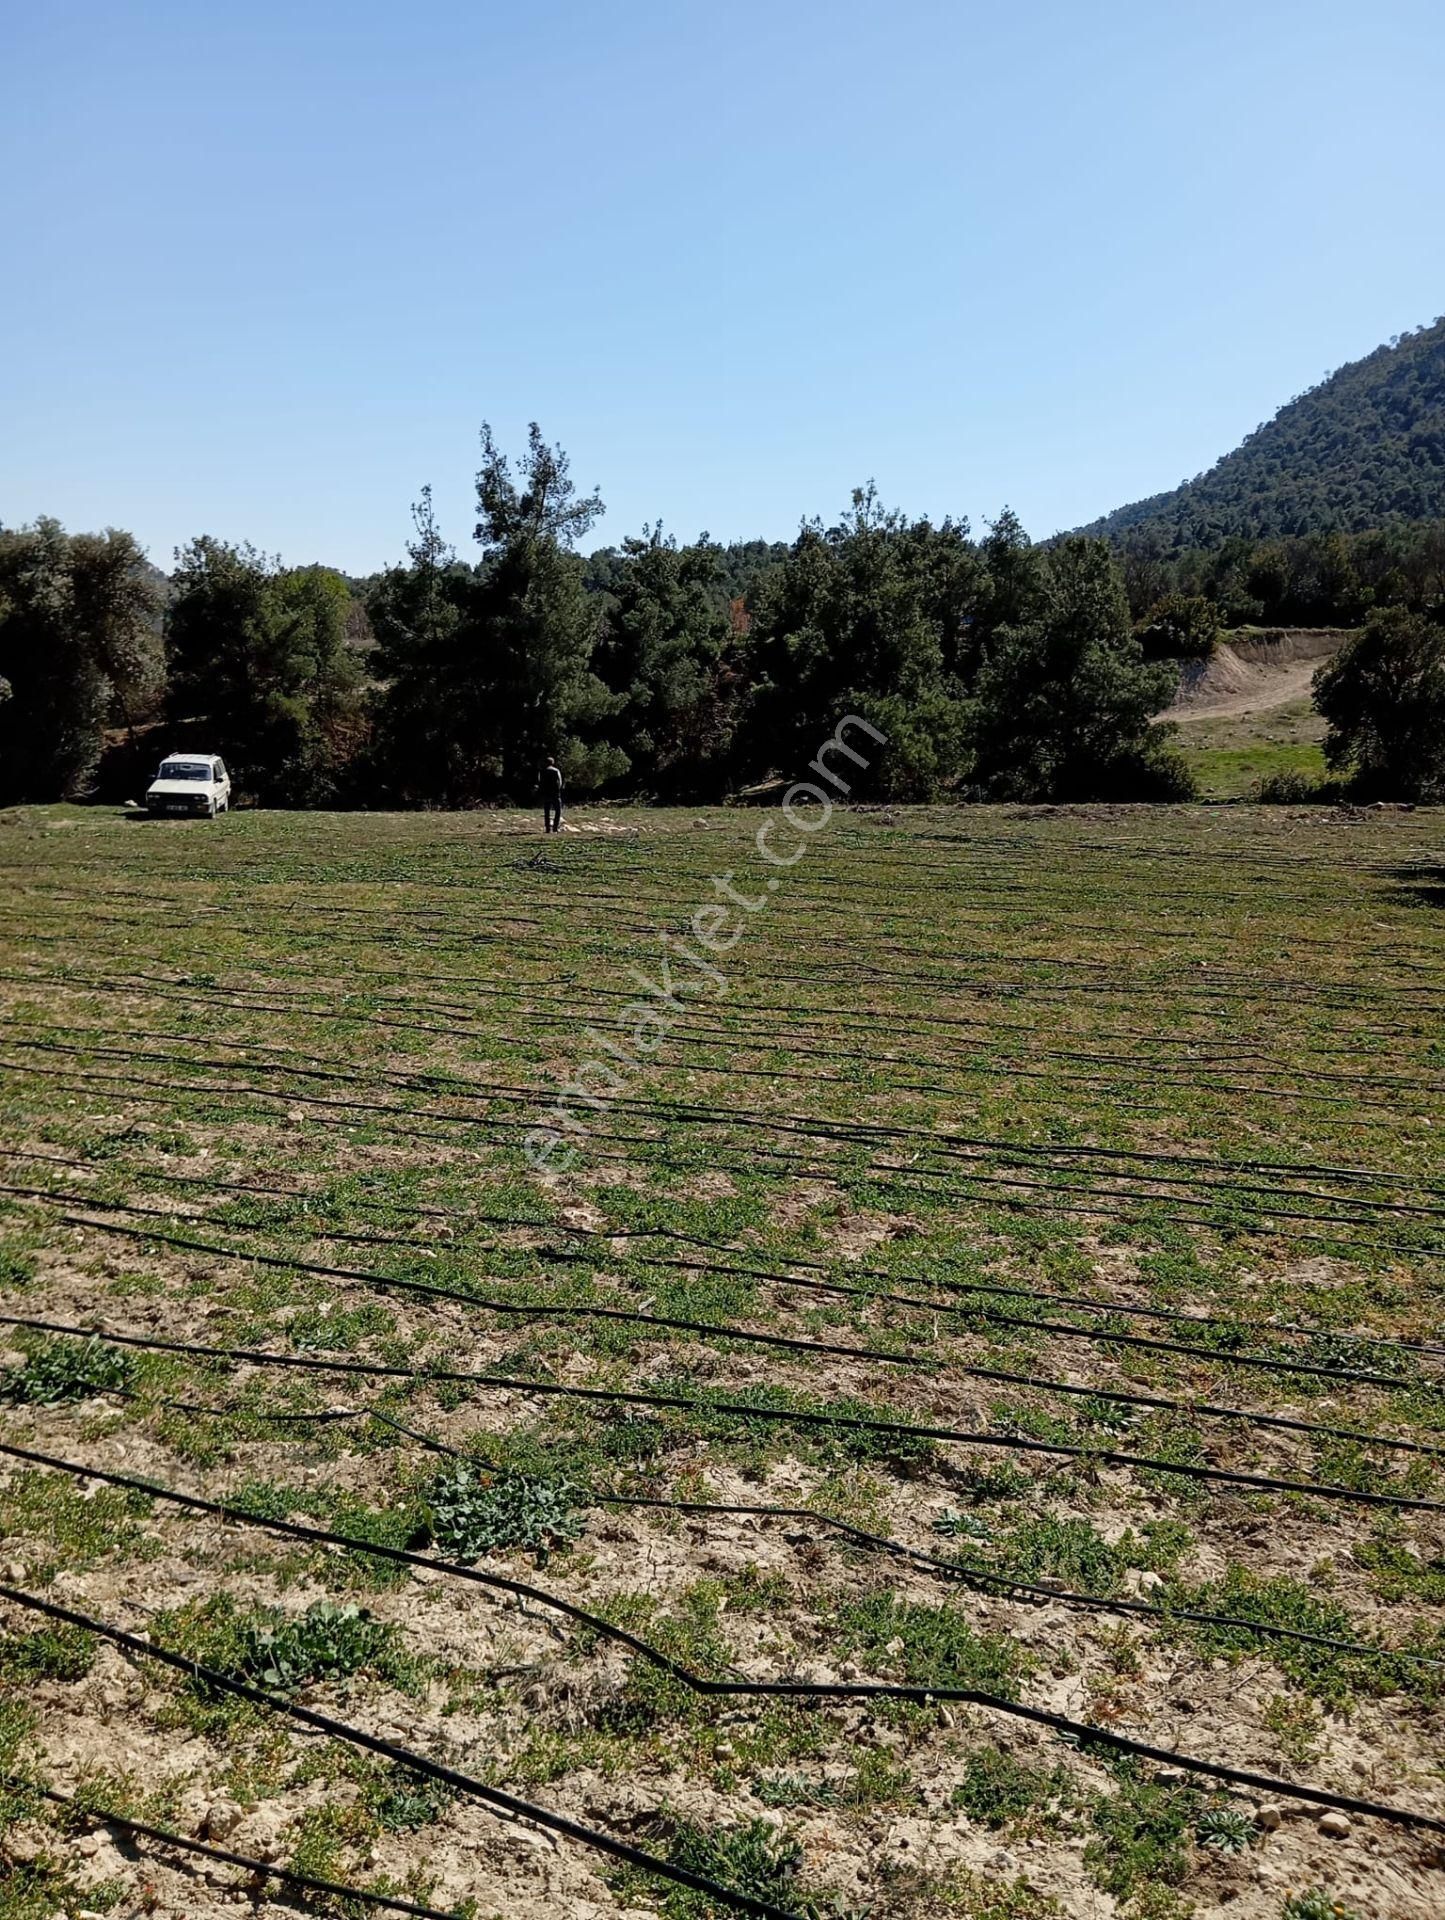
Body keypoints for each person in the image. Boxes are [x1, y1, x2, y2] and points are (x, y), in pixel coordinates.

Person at [541, 757, 564, 833]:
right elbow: (560, 782)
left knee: (546, 812)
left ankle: (548, 828)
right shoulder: (556, 771)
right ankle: (555, 827)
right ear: (553, 763)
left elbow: (540, 782)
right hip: (555, 793)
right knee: (558, 811)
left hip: (545, 793)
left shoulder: (542, 771)